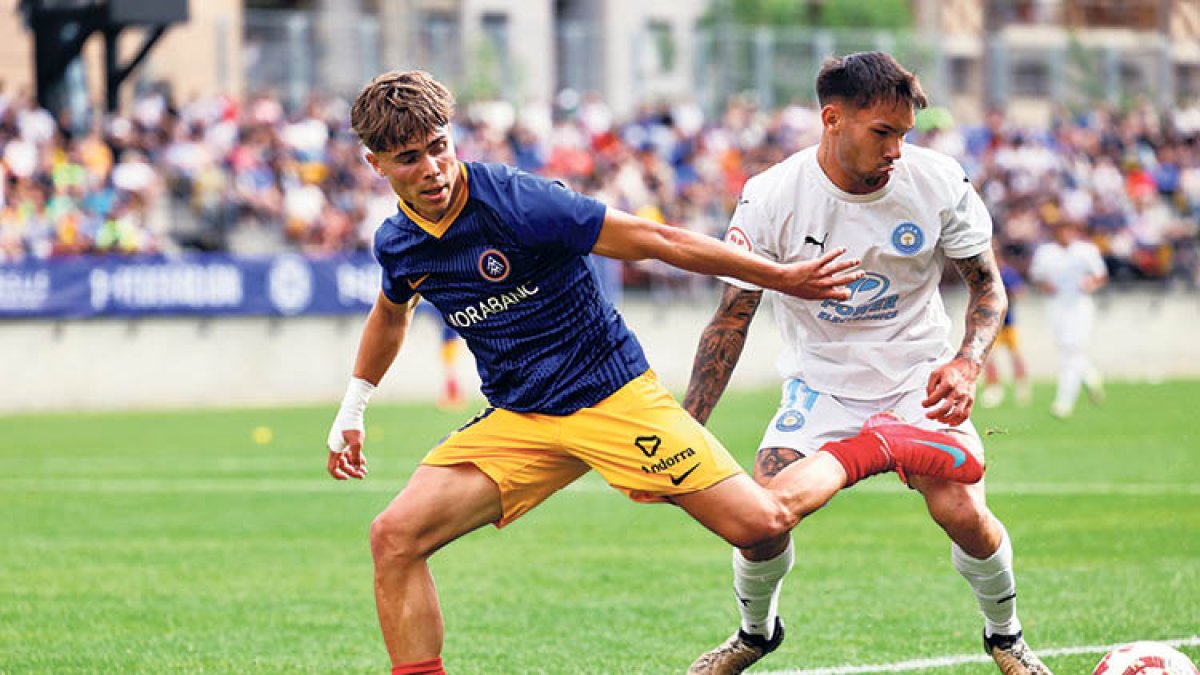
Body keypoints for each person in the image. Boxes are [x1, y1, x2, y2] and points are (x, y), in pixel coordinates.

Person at [323, 70, 983, 675]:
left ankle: (879, 443)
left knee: (762, 521)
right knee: (395, 536)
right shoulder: (400, 242)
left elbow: (657, 240)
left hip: (611, 396)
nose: (434, 168)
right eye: (410, 158)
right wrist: (353, 408)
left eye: (440, 145)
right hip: (522, 418)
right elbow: (391, 312)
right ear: (375, 163)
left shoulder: (518, 203)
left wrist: (781, 277)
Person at [683, 52, 1053, 675]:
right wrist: (687, 426)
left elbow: (988, 289)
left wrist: (966, 363)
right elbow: (730, 319)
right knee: (759, 522)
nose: (896, 152)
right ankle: (755, 633)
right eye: (883, 133)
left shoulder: (938, 182)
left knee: (961, 510)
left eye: (904, 135)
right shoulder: (771, 198)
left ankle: (1006, 638)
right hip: (819, 386)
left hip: (919, 376)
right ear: (833, 119)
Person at [1028, 217, 1107, 419]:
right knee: (1067, 348)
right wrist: (1045, 286)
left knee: (1072, 352)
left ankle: (1063, 402)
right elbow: (1036, 277)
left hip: (1080, 306)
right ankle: (1091, 376)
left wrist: (1091, 283)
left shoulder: (1086, 251)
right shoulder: (1046, 253)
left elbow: (1101, 275)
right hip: (1056, 306)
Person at [980, 245, 1032, 408]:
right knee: (988, 357)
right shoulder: (986, 274)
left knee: (1015, 355)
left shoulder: (1007, 273)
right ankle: (994, 388)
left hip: (1008, 323)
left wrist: (1006, 293)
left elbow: (1020, 291)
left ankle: (1022, 387)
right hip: (991, 324)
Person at [413, 298, 467, 410]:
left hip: (450, 340)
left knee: (450, 368)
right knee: (450, 368)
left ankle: (454, 397)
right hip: (449, 339)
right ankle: (453, 397)